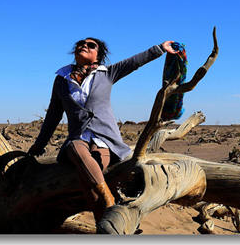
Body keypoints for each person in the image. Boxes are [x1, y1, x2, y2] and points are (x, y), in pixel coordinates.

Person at [27, 37, 178, 220]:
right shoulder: (61, 79)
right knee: (75, 148)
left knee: (89, 175)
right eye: (81, 44)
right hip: (78, 137)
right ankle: (110, 205)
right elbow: (53, 115)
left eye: (91, 45)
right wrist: (39, 145)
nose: (84, 45)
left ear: (98, 55)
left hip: (104, 138)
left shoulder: (107, 73)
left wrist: (160, 49)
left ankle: (103, 222)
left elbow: (134, 62)